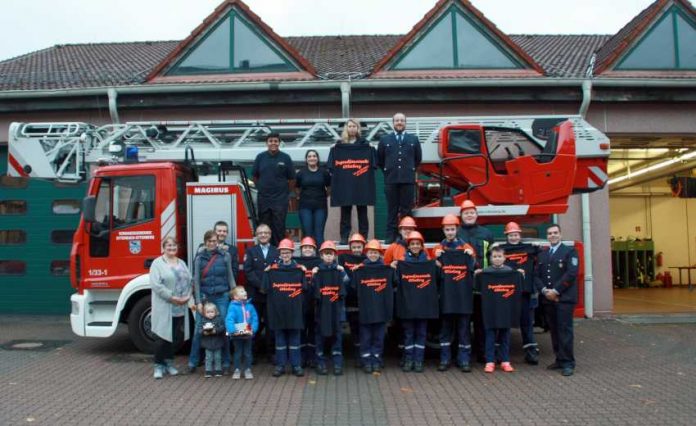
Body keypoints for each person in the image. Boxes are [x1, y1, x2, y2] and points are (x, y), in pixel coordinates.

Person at [188, 230, 236, 374]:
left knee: (224, 329)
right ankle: (193, 361)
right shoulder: (199, 258)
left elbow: (230, 276)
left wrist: (234, 295)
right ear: (205, 242)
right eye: (209, 241)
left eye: (214, 241)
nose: (212, 243)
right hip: (205, 296)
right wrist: (198, 301)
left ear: (218, 241)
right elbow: (196, 280)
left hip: (222, 296)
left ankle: (226, 363)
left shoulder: (225, 256)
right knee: (198, 329)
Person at [433, 214, 476, 373]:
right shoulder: (438, 249)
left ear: (457, 229)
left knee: (464, 331)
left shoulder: (466, 248)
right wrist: (436, 261)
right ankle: (445, 360)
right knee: (446, 330)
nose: (450, 232)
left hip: (463, 298)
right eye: (447, 229)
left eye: (452, 229)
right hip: (446, 298)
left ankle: (464, 360)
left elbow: (473, 265)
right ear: (443, 230)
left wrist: (470, 257)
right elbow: (434, 272)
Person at [536, 224, 579, 377]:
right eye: (549, 233)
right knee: (554, 330)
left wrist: (556, 291)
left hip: (564, 299)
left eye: (555, 233)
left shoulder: (569, 252)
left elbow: (571, 273)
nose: (552, 235)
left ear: (560, 234)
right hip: (548, 299)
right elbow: (537, 276)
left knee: (565, 331)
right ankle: (559, 359)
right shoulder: (543, 255)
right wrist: (544, 291)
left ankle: (568, 363)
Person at [149, 236, 193, 379]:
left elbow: (189, 281)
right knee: (162, 337)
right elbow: (156, 285)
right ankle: (158, 365)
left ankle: (169, 363)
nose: (172, 248)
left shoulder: (181, 262)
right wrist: (172, 297)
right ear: (163, 248)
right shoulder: (157, 263)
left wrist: (188, 296)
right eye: (168, 246)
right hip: (165, 306)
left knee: (174, 337)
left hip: (180, 307)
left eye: (174, 246)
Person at [498, 221, 542, 365]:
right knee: (503, 322)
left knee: (526, 322)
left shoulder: (530, 249)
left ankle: (530, 352)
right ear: (506, 236)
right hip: (507, 292)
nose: (513, 237)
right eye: (510, 235)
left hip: (525, 292)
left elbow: (542, 257)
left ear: (520, 235)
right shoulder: (501, 251)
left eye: (516, 234)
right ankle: (500, 353)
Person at [456, 200, 494, 363]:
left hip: (481, 283)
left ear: (476, 215)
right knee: (463, 321)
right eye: (466, 213)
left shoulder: (486, 233)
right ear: (461, 216)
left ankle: (482, 353)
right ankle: (462, 355)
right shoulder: (456, 233)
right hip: (461, 283)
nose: (469, 215)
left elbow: (494, 257)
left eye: (472, 212)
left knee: (482, 320)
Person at [327, 118, 377, 243]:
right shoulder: (339, 145)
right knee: (345, 212)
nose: (352, 128)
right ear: (346, 128)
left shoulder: (365, 144)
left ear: (358, 129)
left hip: (362, 184)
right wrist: (334, 149)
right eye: (350, 126)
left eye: (355, 126)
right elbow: (331, 166)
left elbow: (375, 163)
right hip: (345, 185)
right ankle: (344, 237)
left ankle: (363, 237)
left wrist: (372, 149)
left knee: (362, 212)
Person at [475, 246, 523, 374]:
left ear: (504, 258)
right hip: (490, 310)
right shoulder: (486, 272)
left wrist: (519, 275)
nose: (497, 259)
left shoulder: (510, 271)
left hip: (506, 309)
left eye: (499, 256)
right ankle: (490, 361)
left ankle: (505, 361)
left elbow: (517, 287)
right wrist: (477, 275)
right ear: (490, 258)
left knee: (505, 336)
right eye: (494, 257)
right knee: (490, 336)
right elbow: (478, 288)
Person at [395, 231, 438, 373]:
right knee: (408, 334)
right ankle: (408, 360)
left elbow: (438, 277)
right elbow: (395, 280)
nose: (415, 246)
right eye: (412, 244)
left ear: (421, 246)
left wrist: (437, 265)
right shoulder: (403, 261)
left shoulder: (427, 260)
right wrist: (394, 267)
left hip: (423, 306)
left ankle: (418, 361)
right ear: (408, 246)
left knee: (421, 334)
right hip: (408, 306)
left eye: (417, 244)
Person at [263, 239, 307, 377]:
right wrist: (266, 272)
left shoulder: (299, 270)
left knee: (295, 340)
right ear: (279, 253)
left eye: (288, 252)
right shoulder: (271, 270)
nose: (285, 254)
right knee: (280, 340)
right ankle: (280, 366)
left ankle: (296, 366)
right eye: (283, 252)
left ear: (292, 253)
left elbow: (305, 289)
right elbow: (264, 288)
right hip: (278, 311)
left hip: (295, 311)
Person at [351, 239, 395, 374]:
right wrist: (355, 272)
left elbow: (396, 282)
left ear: (380, 254)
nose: (373, 255)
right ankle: (366, 362)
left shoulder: (387, 269)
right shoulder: (360, 269)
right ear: (367, 253)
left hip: (381, 311)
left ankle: (376, 360)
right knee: (365, 338)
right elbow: (353, 287)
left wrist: (392, 268)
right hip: (366, 311)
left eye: (375, 252)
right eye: (370, 252)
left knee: (379, 338)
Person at [377, 113, 422, 244]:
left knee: (406, 209)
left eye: (402, 120)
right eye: (397, 120)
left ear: (405, 123)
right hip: (391, 180)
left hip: (407, 180)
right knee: (392, 209)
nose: (399, 122)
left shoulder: (413, 139)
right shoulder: (384, 140)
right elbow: (380, 160)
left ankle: (407, 236)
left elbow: (417, 159)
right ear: (393, 123)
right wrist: (389, 171)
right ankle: (391, 236)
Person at [310, 241, 349, 375]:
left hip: (337, 312)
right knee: (320, 338)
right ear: (321, 255)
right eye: (325, 254)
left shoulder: (339, 271)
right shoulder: (317, 271)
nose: (328, 256)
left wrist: (343, 272)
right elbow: (311, 289)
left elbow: (347, 284)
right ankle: (320, 363)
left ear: (334, 256)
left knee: (337, 338)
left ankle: (337, 364)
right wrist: (313, 275)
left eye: (330, 254)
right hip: (321, 312)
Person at [252, 132, 296, 246]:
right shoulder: (260, 157)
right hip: (264, 199)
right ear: (266, 143)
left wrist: (285, 192)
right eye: (271, 141)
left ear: (279, 143)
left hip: (280, 199)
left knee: (279, 227)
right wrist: (262, 187)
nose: (273, 143)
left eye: (275, 141)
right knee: (264, 227)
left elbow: (292, 179)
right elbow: (255, 176)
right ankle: (265, 251)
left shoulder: (286, 158)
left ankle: (278, 252)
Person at [243, 224, 279, 359]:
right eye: (260, 233)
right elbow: (248, 271)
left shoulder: (277, 251)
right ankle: (251, 353)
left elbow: (278, 271)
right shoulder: (250, 251)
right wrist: (261, 285)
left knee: (271, 325)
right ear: (256, 235)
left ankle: (272, 353)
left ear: (270, 235)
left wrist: (268, 287)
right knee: (253, 324)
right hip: (255, 293)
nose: (263, 235)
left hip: (271, 295)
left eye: (266, 233)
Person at [338, 232, 367, 365]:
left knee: (363, 330)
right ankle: (356, 356)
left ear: (363, 247)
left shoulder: (368, 260)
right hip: (348, 300)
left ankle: (362, 356)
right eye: (354, 247)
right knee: (354, 330)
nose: (356, 249)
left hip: (363, 301)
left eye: (359, 247)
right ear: (350, 247)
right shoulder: (343, 258)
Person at [294, 237, 322, 368]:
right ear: (301, 249)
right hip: (299, 302)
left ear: (314, 250)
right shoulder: (296, 262)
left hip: (315, 302)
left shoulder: (320, 262)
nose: (307, 249)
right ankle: (301, 358)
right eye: (305, 247)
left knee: (313, 331)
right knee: (300, 330)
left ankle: (312, 357)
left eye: (310, 248)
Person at [295, 150, 331, 246]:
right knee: (308, 235)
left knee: (319, 235)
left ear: (317, 158)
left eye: (314, 156)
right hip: (305, 207)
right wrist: (300, 196)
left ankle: (320, 259)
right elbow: (297, 188)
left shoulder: (324, 172)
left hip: (321, 207)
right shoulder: (301, 173)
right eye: (309, 156)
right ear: (306, 159)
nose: (312, 158)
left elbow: (329, 188)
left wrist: (323, 196)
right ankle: (308, 259)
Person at [226, 286, 259, 380]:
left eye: (244, 290)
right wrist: (232, 331)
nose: (245, 292)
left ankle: (248, 369)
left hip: (248, 334)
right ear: (235, 297)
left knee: (248, 353)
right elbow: (229, 319)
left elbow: (255, 319)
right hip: (237, 335)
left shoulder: (250, 306)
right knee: (238, 353)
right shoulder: (232, 307)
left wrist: (253, 329)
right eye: (241, 291)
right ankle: (237, 369)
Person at [198, 302, 226, 378]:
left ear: (216, 312)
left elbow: (222, 328)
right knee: (208, 358)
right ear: (204, 313)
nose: (210, 314)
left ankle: (218, 370)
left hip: (217, 342)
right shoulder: (203, 320)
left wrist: (215, 331)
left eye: (212, 312)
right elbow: (199, 330)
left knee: (218, 357)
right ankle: (208, 371)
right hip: (207, 343)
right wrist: (203, 332)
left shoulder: (218, 319)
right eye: (208, 312)